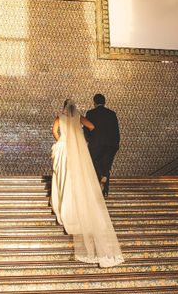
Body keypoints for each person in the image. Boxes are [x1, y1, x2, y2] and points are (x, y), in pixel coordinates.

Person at [50, 99, 124, 268]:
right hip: (76, 150)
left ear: (63, 107)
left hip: (63, 148)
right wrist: (79, 135)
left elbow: (55, 132)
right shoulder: (80, 117)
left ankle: (63, 205)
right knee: (76, 177)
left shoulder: (59, 116)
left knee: (62, 176)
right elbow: (91, 127)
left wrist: (62, 139)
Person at [83, 93, 120, 197]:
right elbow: (116, 131)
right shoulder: (112, 114)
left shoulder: (91, 113)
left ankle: (99, 182)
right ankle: (105, 191)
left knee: (95, 164)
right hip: (111, 146)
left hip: (96, 144)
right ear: (105, 102)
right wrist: (116, 145)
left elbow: (86, 129)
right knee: (106, 167)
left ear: (94, 102)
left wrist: (89, 140)